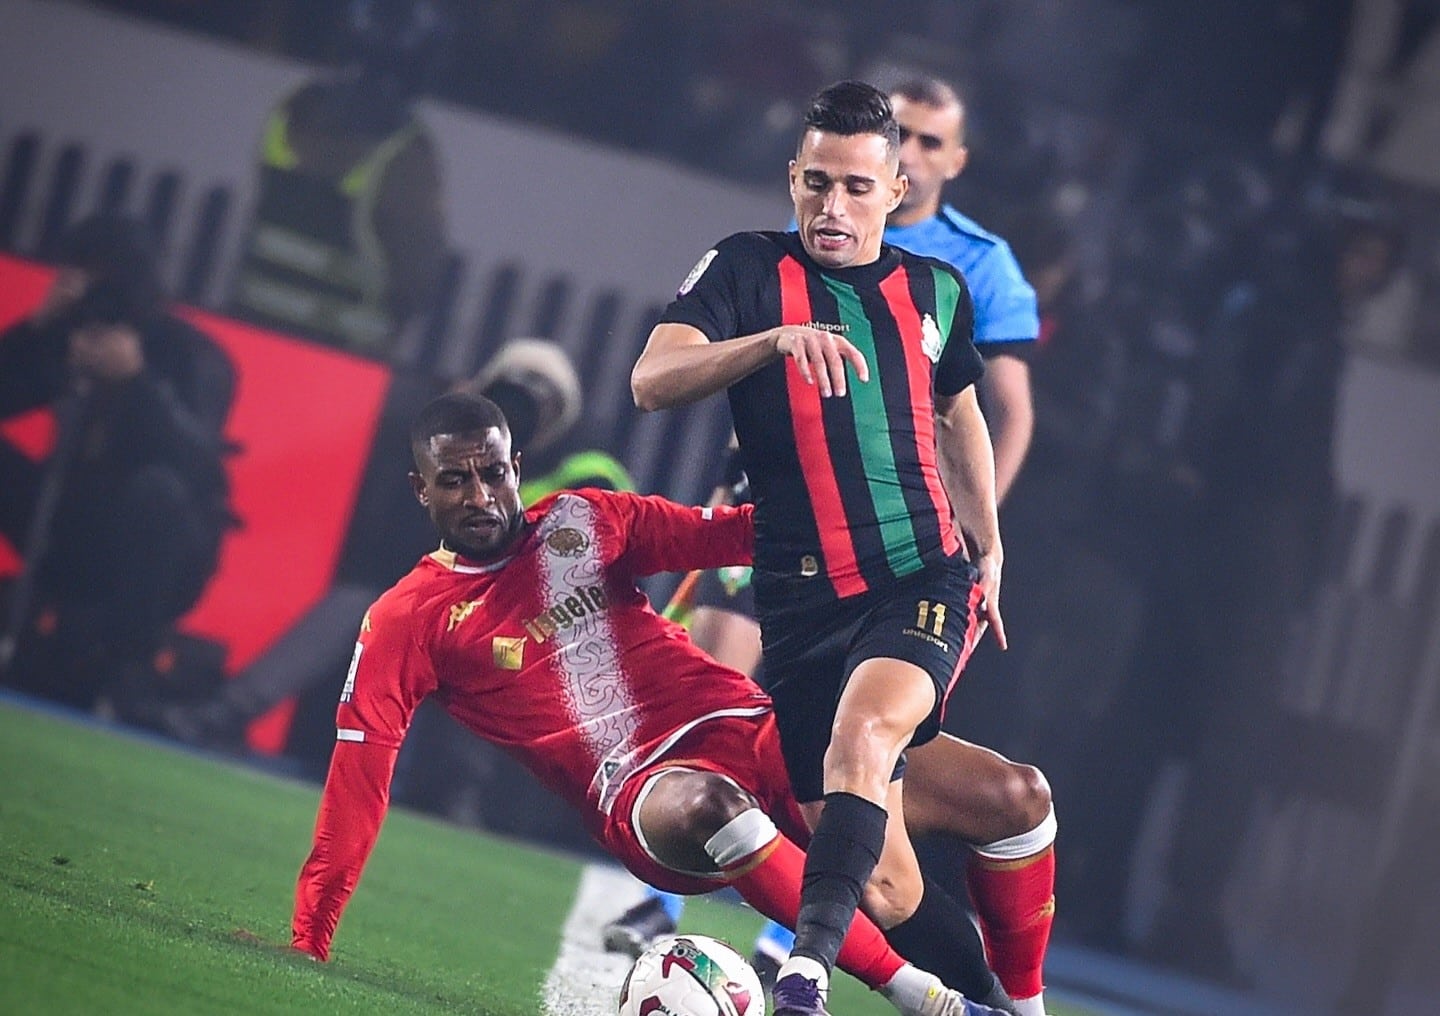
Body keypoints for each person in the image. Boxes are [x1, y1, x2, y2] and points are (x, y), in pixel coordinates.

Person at [290, 391, 1007, 1016]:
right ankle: (919, 997)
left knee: (965, 825)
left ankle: (1004, 1005)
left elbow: (732, 535)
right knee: (714, 807)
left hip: (749, 727)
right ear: (420, 489)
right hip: (642, 790)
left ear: (516, 466)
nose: (480, 497)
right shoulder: (408, 619)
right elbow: (359, 782)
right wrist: (309, 938)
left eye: (493, 473)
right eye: (454, 481)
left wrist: (872, 523)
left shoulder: (583, 519)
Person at [606, 75, 1055, 1007]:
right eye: (816, 183)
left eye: (856, 187)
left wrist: (988, 539)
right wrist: (770, 343)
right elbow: (651, 381)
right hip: (801, 601)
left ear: (897, 191)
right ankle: (986, 999)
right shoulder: (744, 267)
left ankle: (804, 970)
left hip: (917, 574)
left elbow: (961, 410)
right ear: (792, 179)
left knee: (867, 729)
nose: (832, 207)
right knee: (886, 885)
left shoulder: (940, 288)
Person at [152, 338, 632, 771]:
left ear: (561, 421)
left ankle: (457, 787)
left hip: (524, 632)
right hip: (436, 611)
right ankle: (226, 712)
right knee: (364, 604)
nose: (518, 414)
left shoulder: (586, 472)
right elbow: (392, 549)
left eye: (541, 404)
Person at [0, 213, 236, 713]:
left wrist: (136, 381)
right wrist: (36, 330)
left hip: (153, 549)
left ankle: (125, 669)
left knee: (157, 490)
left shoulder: (189, 353)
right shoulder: (69, 332)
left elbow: (199, 465)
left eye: (90, 271)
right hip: (66, 523)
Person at [227, 0, 450, 364]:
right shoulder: (407, 152)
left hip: (244, 335)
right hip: (336, 364)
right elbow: (418, 279)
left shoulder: (294, 109)